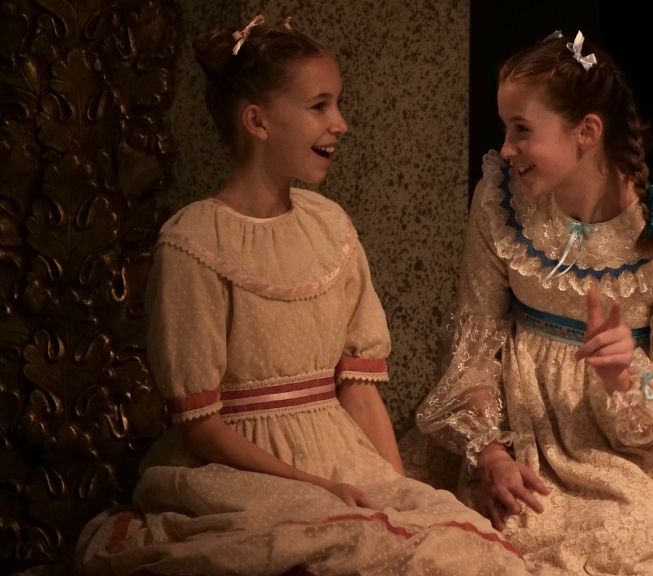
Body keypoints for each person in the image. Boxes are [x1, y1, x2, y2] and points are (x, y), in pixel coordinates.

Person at [74, 15, 537, 575]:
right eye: (319, 106)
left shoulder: (330, 228)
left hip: (339, 451)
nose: (339, 123)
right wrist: (314, 486)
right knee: (315, 549)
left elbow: (358, 389)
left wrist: (396, 489)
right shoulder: (194, 242)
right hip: (242, 471)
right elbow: (202, 424)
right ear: (258, 122)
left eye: (337, 104)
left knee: (442, 542)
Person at [415, 30, 653, 575]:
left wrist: (626, 375)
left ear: (587, 132)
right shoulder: (500, 205)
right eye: (505, 129)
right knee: (485, 531)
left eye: (522, 130)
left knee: (634, 530)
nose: (507, 149)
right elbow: (474, 347)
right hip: (518, 436)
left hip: (621, 453)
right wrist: (487, 451)